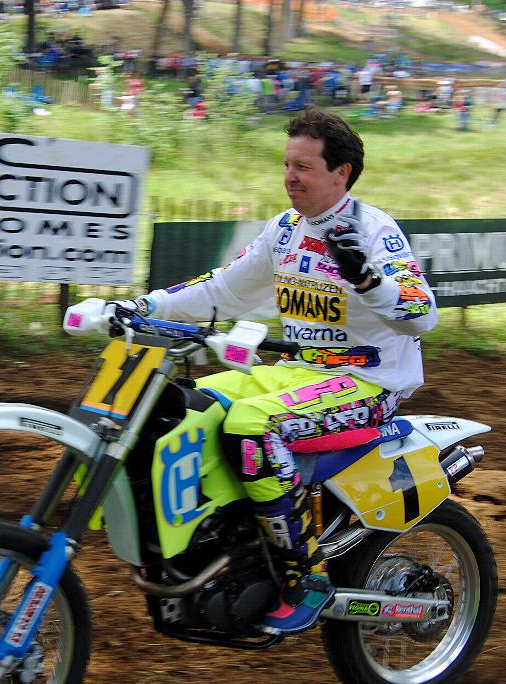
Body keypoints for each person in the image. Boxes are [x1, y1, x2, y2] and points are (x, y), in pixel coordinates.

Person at [115, 109, 437, 634]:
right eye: (287, 164)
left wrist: (368, 281)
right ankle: (220, 544)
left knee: (252, 426)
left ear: (341, 173)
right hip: (294, 370)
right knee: (175, 406)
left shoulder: (374, 230)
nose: (290, 177)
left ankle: (305, 574)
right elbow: (221, 289)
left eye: (303, 167)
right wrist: (142, 306)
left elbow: (422, 314)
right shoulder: (285, 229)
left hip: (368, 384)